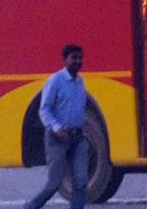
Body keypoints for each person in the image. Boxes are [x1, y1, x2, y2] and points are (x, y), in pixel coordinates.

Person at [24, 44, 89, 209]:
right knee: (54, 183)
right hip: (57, 138)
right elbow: (44, 109)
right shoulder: (55, 81)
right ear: (65, 60)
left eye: (80, 58)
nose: (77, 61)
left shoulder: (80, 81)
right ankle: (31, 206)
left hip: (78, 138)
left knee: (81, 180)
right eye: (73, 58)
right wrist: (56, 127)